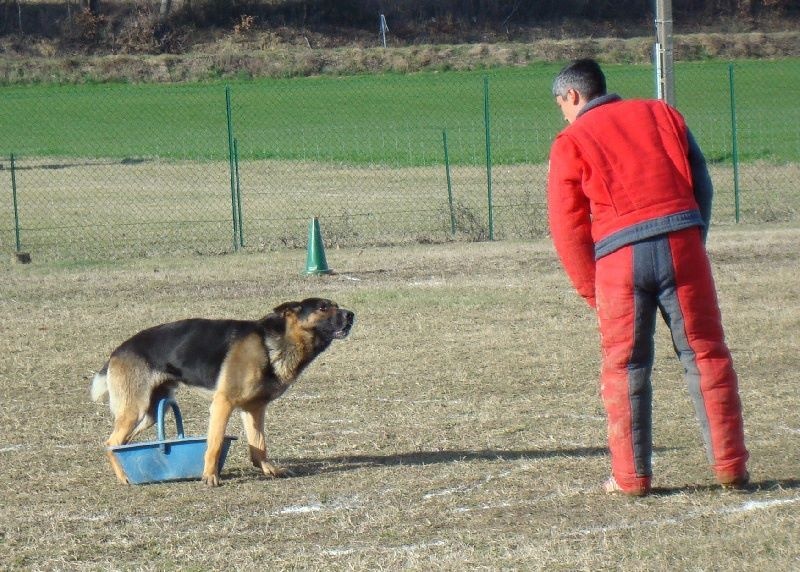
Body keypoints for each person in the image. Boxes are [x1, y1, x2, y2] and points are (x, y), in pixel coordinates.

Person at [546, 58, 749, 496]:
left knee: (626, 367)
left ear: (573, 96)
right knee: (707, 354)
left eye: (561, 104)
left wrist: (591, 290)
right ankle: (730, 466)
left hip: (619, 259)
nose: (562, 113)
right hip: (682, 241)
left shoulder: (571, 139)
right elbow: (703, 184)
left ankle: (632, 478)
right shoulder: (662, 113)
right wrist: (694, 238)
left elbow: (568, 227)